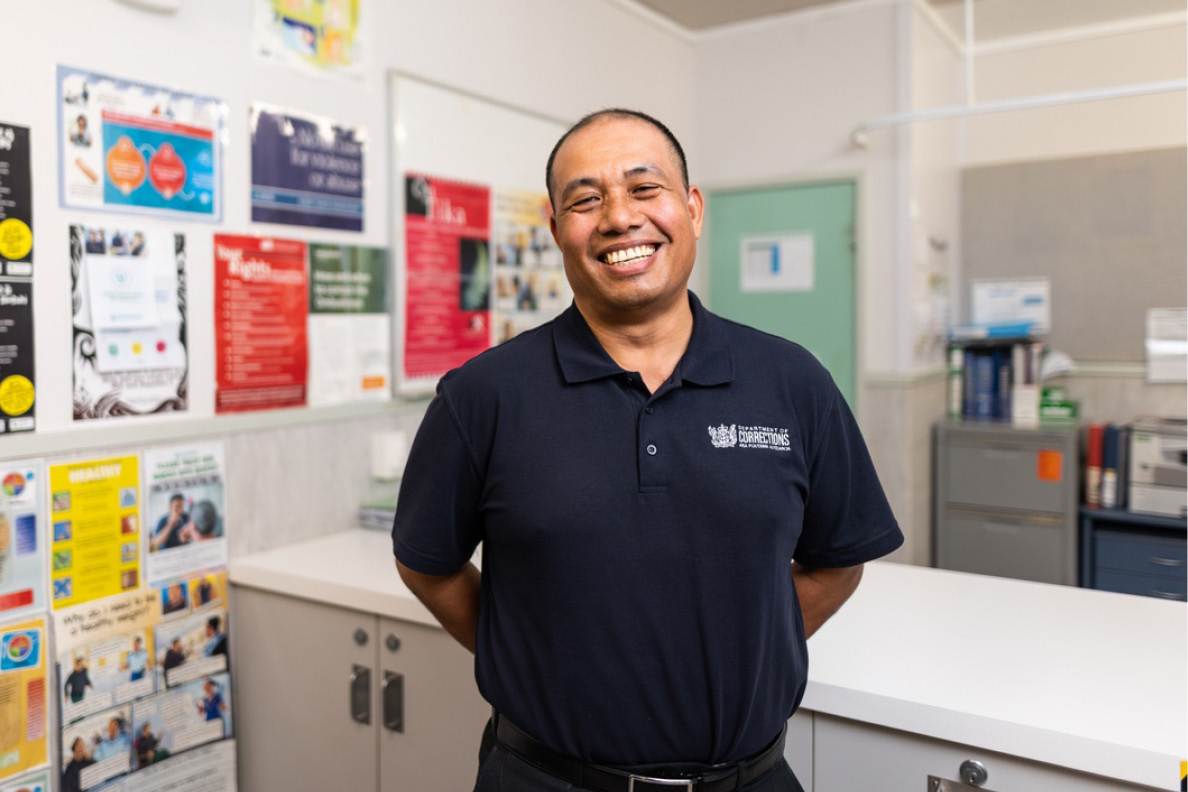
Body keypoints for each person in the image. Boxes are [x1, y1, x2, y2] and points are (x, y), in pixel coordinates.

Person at [392, 109, 903, 792]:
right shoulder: (483, 396)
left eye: (644, 188)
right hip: (544, 780)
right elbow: (428, 565)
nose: (618, 218)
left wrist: (741, 647)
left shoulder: (791, 382)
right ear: (555, 229)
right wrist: (535, 657)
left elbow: (837, 562)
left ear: (692, 209)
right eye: (585, 199)